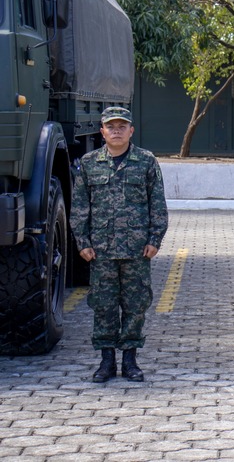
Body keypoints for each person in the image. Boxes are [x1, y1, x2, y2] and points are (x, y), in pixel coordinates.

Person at [70, 106, 168, 383]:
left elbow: (157, 204)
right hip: (101, 250)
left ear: (131, 131)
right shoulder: (89, 164)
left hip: (137, 249)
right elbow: (79, 207)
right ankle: (106, 361)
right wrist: (83, 242)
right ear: (102, 131)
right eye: (110, 126)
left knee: (135, 304)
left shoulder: (146, 161)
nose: (116, 130)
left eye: (121, 126)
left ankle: (130, 360)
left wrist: (154, 239)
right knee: (103, 305)